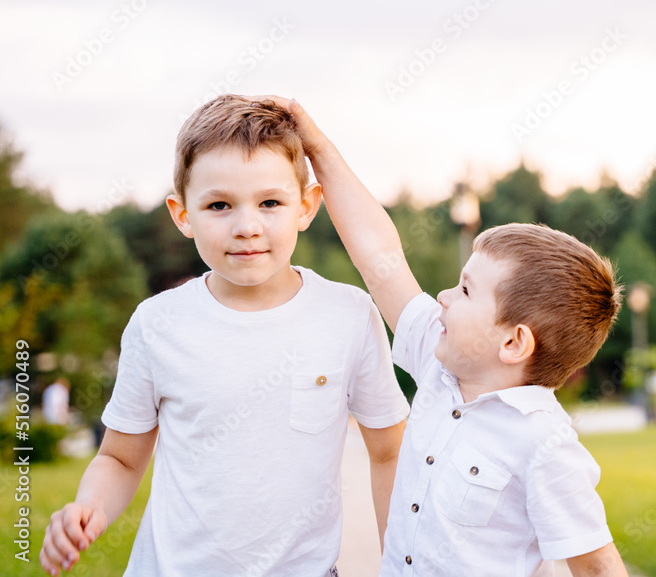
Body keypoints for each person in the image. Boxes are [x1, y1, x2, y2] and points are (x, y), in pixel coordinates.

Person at [40, 96, 410, 577]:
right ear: (183, 214)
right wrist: (87, 508)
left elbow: (389, 451)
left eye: (270, 202)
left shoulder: (349, 315)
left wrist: (403, 563)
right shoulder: (157, 324)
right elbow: (121, 458)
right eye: (219, 205)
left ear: (307, 206)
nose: (247, 227)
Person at [280, 96, 630, 576]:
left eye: (466, 290)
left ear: (512, 343)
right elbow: (378, 258)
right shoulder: (439, 362)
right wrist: (318, 149)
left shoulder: (544, 444)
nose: (443, 297)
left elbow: (597, 565)